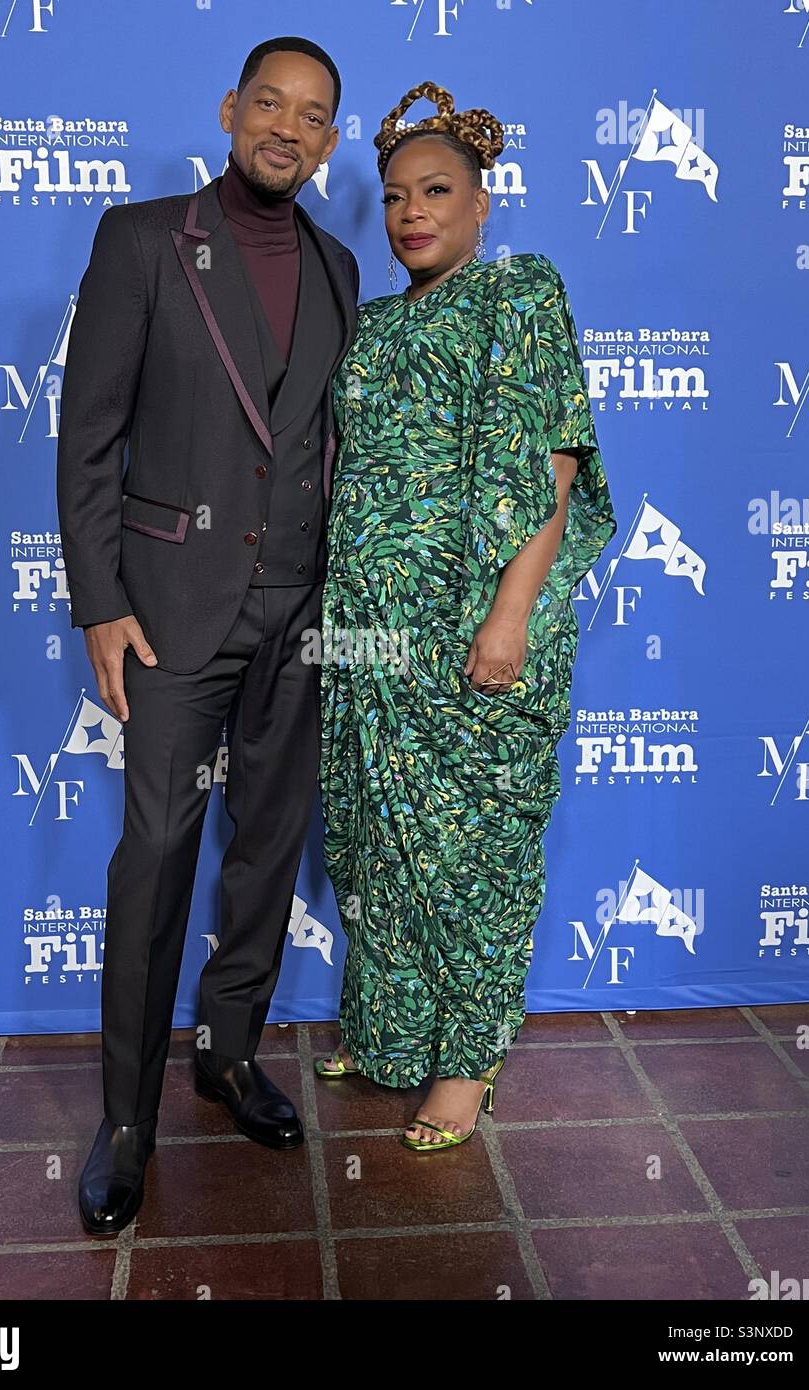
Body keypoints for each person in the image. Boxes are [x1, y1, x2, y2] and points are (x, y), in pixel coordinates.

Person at [56, 36, 359, 1233]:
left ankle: (228, 1053)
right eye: (269, 104)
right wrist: (99, 600)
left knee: (270, 848)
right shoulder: (143, 240)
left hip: (304, 614)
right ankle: (125, 1121)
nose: (287, 128)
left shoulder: (341, 266)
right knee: (157, 859)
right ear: (231, 110)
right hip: (173, 617)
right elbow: (88, 438)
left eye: (313, 116)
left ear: (331, 140)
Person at [314, 83, 617, 1151]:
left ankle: (467, 1058)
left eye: (437, 191)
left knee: (475, 850)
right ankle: (394, 1030)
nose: (411, 212)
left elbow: (554, 462)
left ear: (484, 203)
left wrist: (512, 613)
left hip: (473, 621)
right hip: (365, 627)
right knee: (373, 837)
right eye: (396, 195)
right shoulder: (373, 320)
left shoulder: (518, 297)